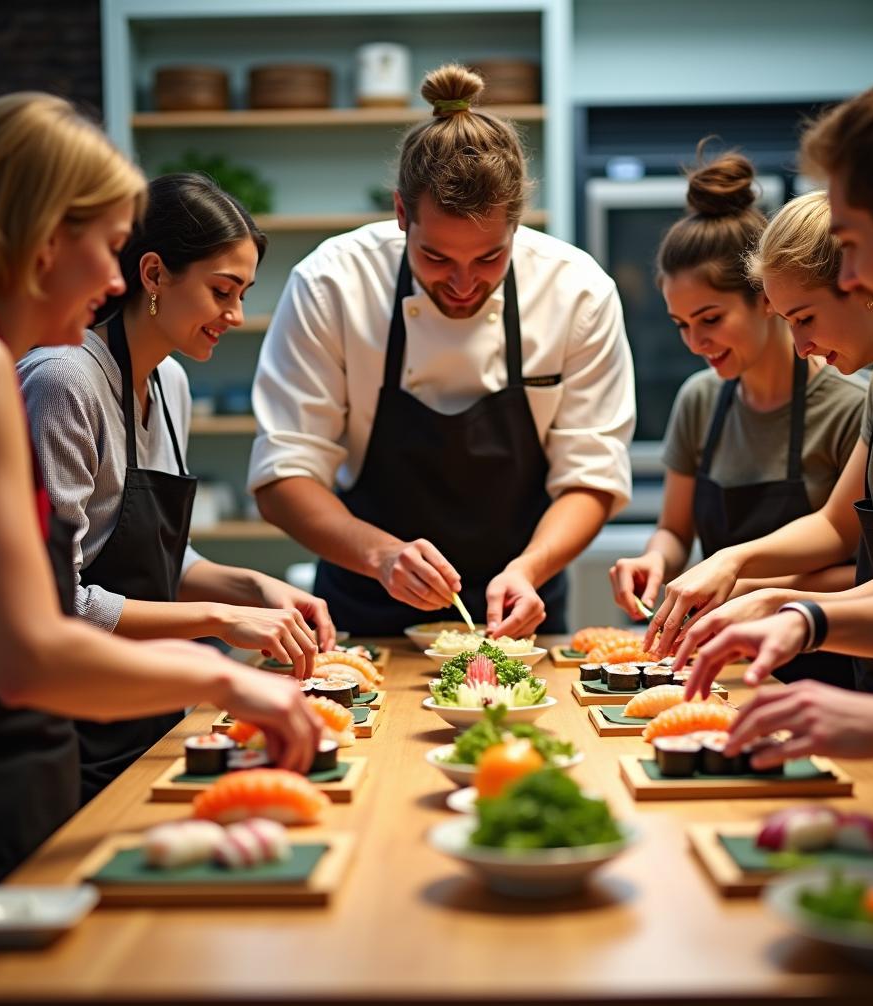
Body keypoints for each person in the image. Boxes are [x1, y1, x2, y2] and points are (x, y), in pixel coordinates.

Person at [0, 93, 319, 900]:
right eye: (110, 246)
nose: (114, 276)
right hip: (0, 761)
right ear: (43, 237)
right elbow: (32, 642)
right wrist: (219, 663)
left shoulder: (152, 379)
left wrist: (246, 590)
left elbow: (125, 558)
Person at [679, 24, 873, 807]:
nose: (853, 278)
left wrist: (803, 611)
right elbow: (870, 543)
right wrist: (767, 588)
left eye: (848, 248)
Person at [248, 64, 635, 638]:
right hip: (364, 606)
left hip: (523, 606)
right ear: (402, 213)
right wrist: (382, 556)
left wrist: (530, 568)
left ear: (516, 225)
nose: (461, 285)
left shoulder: (577, 290)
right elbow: (284, 477)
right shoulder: (333, 283)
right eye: (436, 258)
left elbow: (592, 474)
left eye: (488, 259)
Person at [18, 173, 335, 803]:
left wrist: (253, 588)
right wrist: (220, 620)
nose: (236, 316)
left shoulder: (171, 386)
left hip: (152, 713)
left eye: (242, 294)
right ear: (155, 274)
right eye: (222, 291)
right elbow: (58, 601)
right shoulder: (64, 382)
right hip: (72, 727)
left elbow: (159, 557)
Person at [646, 189, 873, 702]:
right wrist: (733, 562)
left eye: (805, 318)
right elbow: (837, 525)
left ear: (862, 284)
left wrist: (788, 606)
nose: (801, 346)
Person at [608, 150, 865, 687]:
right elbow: (675, 531)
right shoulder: (701, 401)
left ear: (766, 301)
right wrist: (655, 559)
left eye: (710, 319)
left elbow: (867, 569)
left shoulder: (849, 404)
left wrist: (747, 583)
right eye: (681, 324)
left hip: (823, 666)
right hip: (725, 666)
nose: (696, 342)